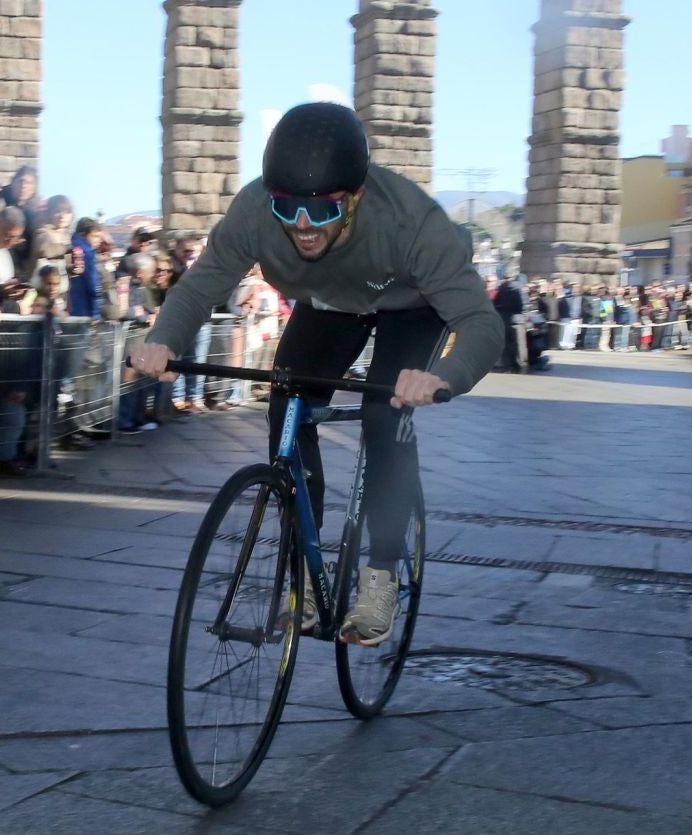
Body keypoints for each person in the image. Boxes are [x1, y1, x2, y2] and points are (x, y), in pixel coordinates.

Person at [132, 102, 502, 646]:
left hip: (410, 301)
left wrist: (444, 375)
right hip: (330, 303)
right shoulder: (256, 208)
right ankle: (302, 559)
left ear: (353, 198)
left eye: (323, 213)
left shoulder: (411, 221)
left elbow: (480, 324)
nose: (303, 227)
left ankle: (380, 572)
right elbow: (200, 284)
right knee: (286, 402)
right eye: (288, 209)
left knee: (385, 414)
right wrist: (162, 338)